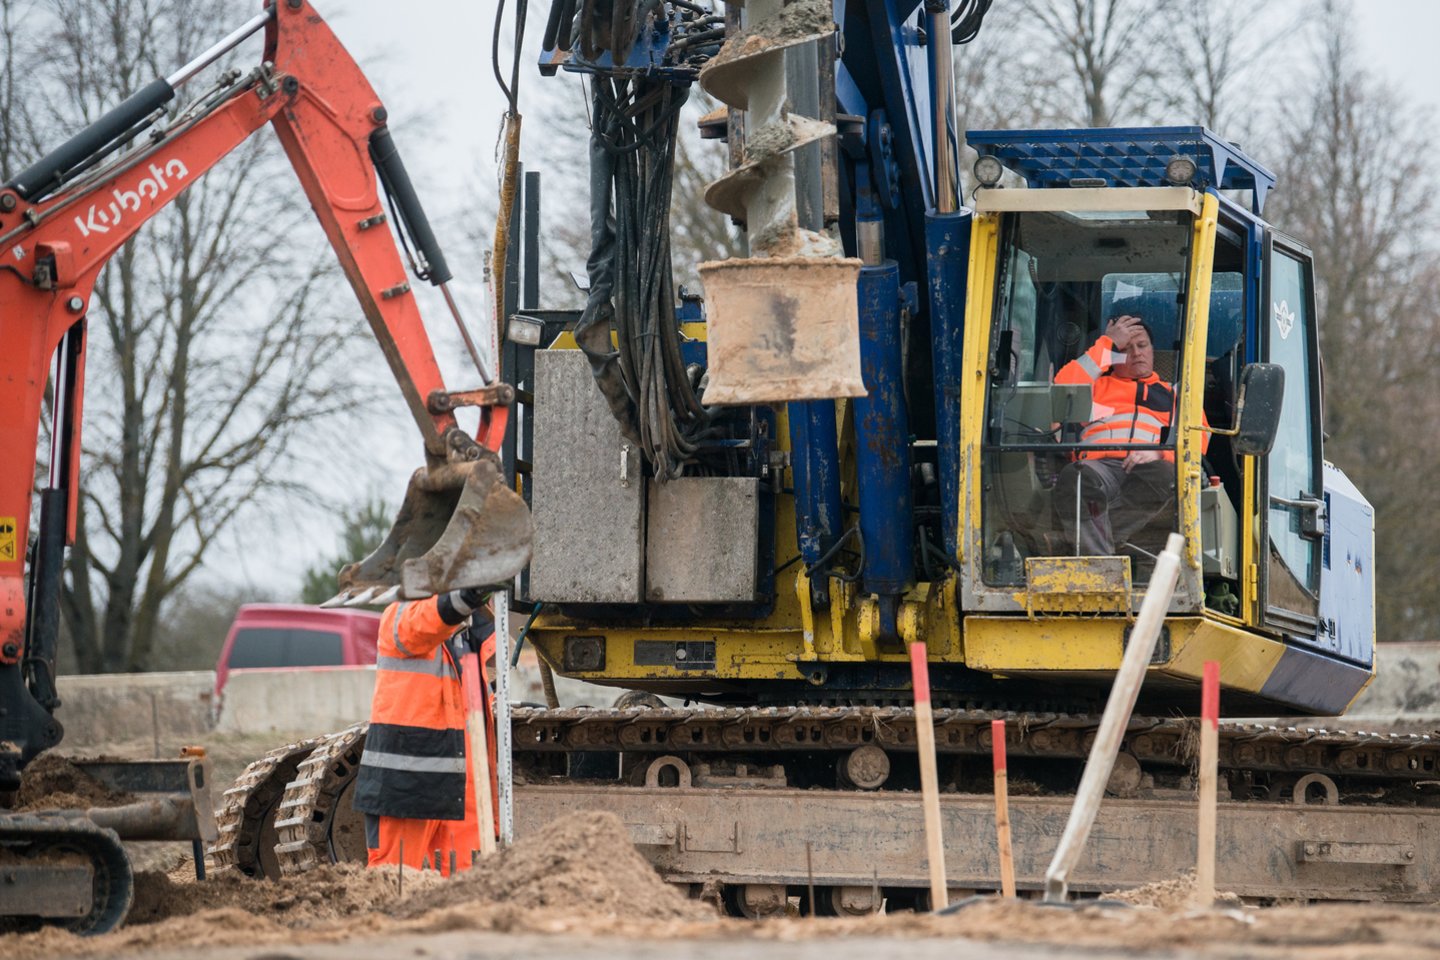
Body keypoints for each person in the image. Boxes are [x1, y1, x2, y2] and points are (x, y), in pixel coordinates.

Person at [353, 587, 496, 876]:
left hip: (459, 788)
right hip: (405, 786)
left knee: (465, 883)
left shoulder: (471, 638)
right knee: (393, 880)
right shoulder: (402, 615)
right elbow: (427, 619)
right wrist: (468, 596)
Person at [1052, 314, 1207, 556]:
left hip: (1147, 472)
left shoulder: (1176, 394)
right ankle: (1102, 567)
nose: (1137, 353)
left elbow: (1199, 442)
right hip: (1097, 469)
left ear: (1153, 351)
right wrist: (1107, 343)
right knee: (1078, 477)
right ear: (1112, 357)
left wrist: (1159, 455)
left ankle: (1089, 543)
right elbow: (1062, 389)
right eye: (1125, 349)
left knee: (1168, 473)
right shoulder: (1094, 388)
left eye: (1142, 346)